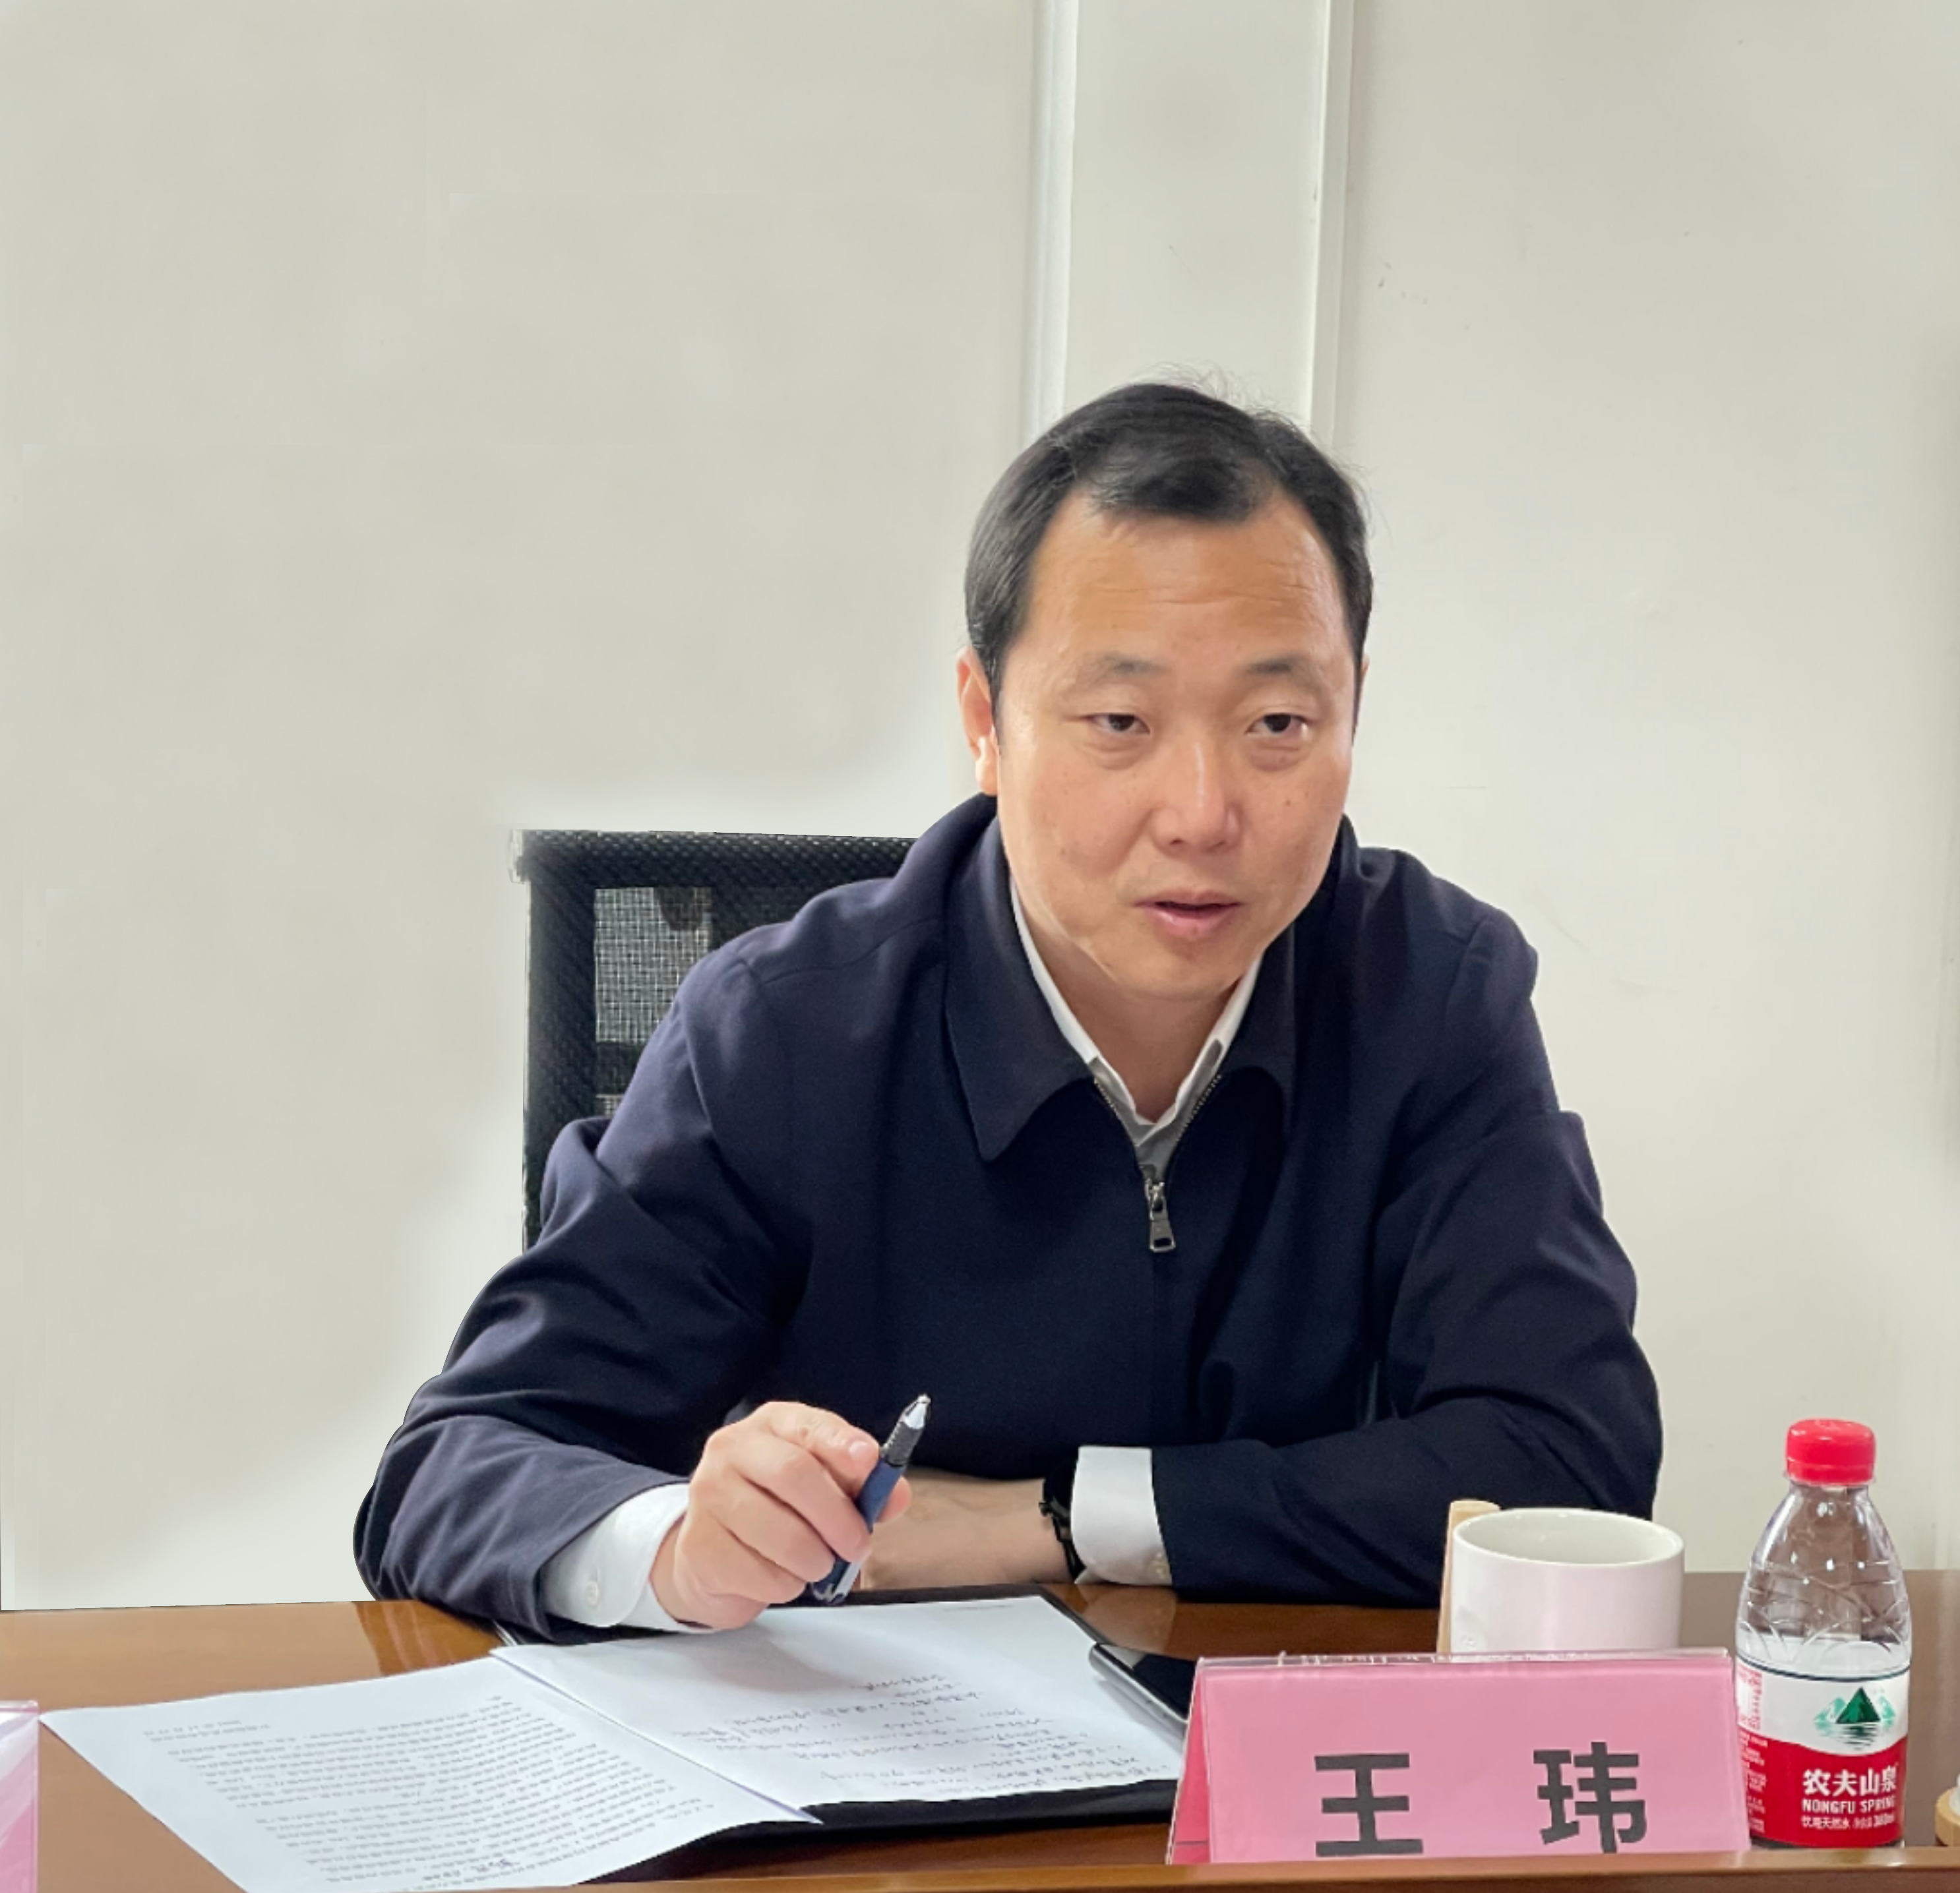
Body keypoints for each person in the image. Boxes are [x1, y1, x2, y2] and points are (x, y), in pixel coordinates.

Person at [356, 383, 1662, 1637]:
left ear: (1352, 714)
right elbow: (456, 1465)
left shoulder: (1429, 990)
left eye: (1277, 722)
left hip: (1264, 1753)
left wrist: (1060, 1517)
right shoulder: (784, 1033)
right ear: (985, 722)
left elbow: (1563, 1464)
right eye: (1120, 719)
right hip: (875, 1766)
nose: (1202, 812)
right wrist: (679, 1547)